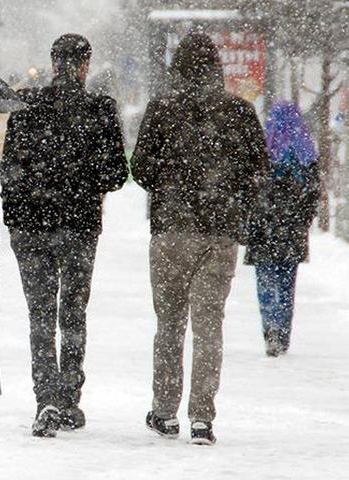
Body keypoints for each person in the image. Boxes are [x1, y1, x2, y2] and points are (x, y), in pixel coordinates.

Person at [131, 33, 271, 445]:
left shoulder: (162, 109)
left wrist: (171, 184)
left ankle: (164, 411)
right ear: (217, 67)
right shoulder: (239, 111)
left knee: (170, 323)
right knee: (210, 326)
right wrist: (231, 197)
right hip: (220, 232)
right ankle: (202, 418)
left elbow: (140, 168)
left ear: (177, 68)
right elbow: (259, 169)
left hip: (171, 230)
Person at [0, 34, 129, 436]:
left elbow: (9, 169)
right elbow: (116, 174)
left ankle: (46, 398)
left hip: (31, 226)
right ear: (85, 66)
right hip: (79, 225)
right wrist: (84, 178)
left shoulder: (25, 105)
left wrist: (16, 216)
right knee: (73, 311)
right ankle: (70, 397)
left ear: (53, 63)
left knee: (39, 314)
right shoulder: (100, 110)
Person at [244, 101, 320, 357]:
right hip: (292, 229)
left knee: (265, 281)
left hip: (263, 227)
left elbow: (250, 188)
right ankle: (283, 332)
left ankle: (270, 328)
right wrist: (303, 220)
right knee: (287, 284)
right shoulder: (306, 152)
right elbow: (313, 193)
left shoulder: (264, 147)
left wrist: (252, 217)